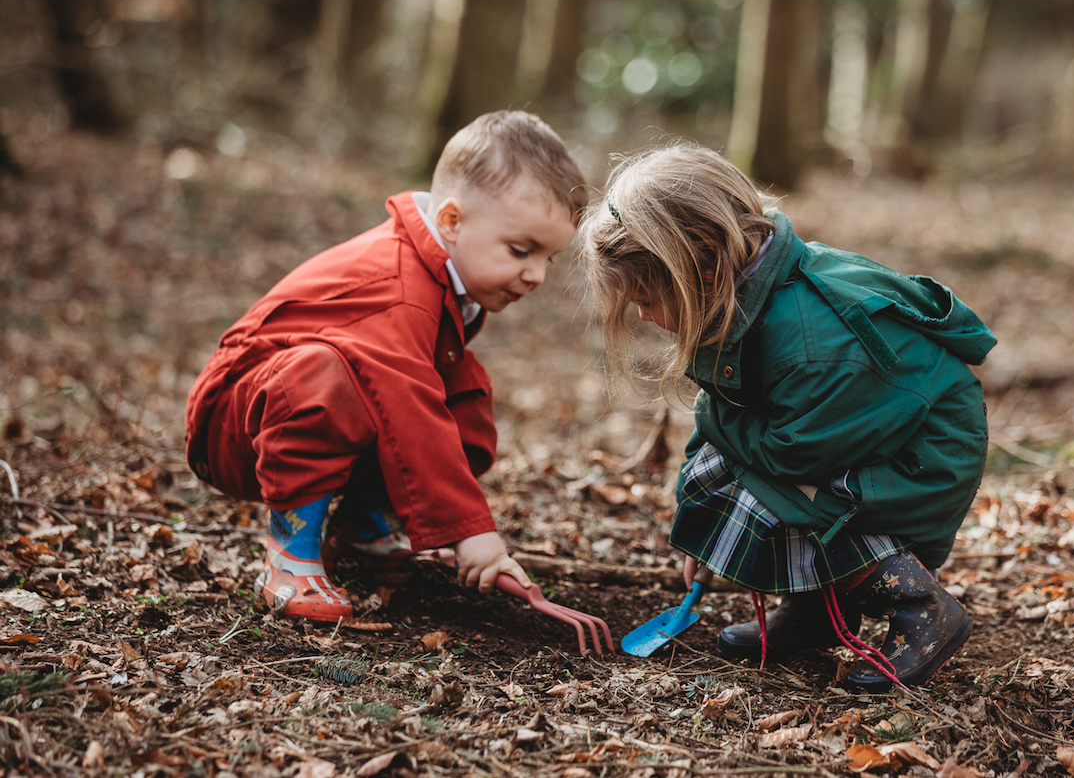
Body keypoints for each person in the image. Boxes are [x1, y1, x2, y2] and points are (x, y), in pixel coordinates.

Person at [580, 145, 994, 690]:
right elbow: (732, 425)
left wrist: (713, 424)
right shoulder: (752, 289)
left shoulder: (809, 341)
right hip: (850, 437)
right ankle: (817, 610)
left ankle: (922, 610)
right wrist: (701, 533)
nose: (643, 315)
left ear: (698, 270)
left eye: (648, 296)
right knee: (724, 471)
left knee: (788, 491)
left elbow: (794, 454)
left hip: (922, 456)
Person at [185, 111, 586, 622]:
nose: (535, 275)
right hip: (233, 427)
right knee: (331, 381)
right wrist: (471, 532)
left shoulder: (445, 275)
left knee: (464, 391)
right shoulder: (401, 288)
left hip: (282, 413)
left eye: (547, 258)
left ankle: (366, 525)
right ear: (451, 221)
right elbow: (407, 406)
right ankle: (291, 556)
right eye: (521, 251)